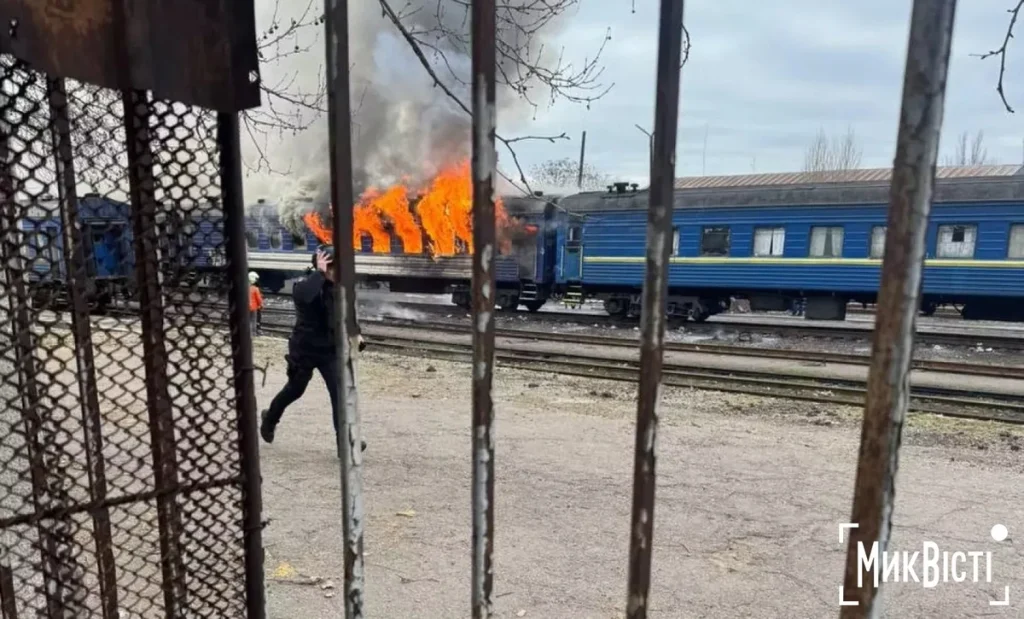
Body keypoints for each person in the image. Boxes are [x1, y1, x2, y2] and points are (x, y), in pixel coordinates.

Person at [260, 245, 367, 453]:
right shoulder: (304, 286)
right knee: (295, 390)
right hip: (304, 350)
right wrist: (319, 272)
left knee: (339, 394)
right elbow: (307, 296)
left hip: (329, 350)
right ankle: (270, 418)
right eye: (334, 268)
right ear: (323, 267)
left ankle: (344, 443)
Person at [248, 271, 264, 338]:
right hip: (253, 307)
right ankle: (253, 333)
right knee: (253, 320)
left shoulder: (244, 288)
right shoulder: (255, 289)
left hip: (245, 307)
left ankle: (247, 333)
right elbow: (259, 299)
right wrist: (261, 305)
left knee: (247, 320)